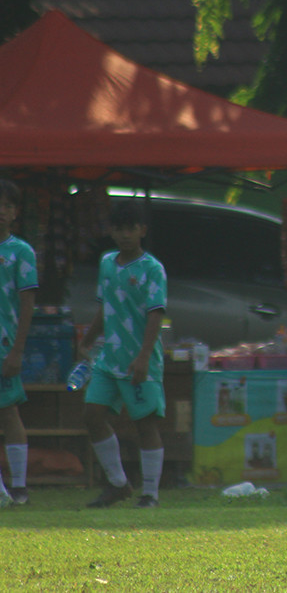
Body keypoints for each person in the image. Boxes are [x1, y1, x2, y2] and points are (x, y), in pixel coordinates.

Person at [78, 200, 168, 508]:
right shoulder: (107, 263)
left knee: (145, 424)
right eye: (118, 229)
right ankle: (118, 484)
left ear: (142, 230)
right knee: (92, 415)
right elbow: (105, 306)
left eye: (130, 228)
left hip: (139, 359)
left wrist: (143, 357)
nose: (124, 235)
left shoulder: (152, 269)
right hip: (109, 358)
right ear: (111, 231)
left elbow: (156, 315)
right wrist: (88, 340)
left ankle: (151, 494)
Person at [0, 180, 38, 508]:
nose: (1, 211)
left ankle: (20, 486)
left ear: (15, 213)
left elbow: (27, 305)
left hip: (5, 344)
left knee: (8, 411)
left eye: (7, 206)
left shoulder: (21, 252)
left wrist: (17, 350)